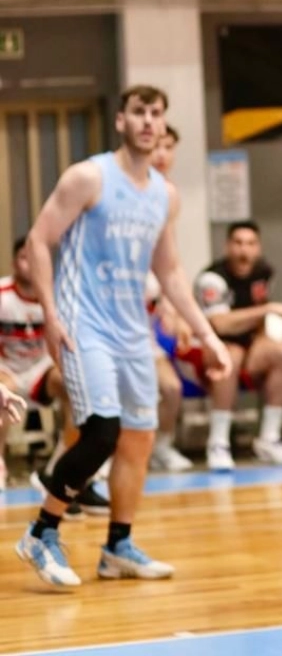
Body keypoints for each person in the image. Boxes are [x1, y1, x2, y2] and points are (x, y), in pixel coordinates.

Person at [15, 84, 232, 588]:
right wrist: (50, 314)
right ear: (121, 120)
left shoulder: (164, 195)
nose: (148, 121)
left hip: (132, 331)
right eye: (139, 112)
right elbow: (40, 240)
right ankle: (42, 532)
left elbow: (170, 271)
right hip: (83, 323)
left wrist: (208, 335)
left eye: (156, 113)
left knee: (138, 440)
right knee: (102, 432)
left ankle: (117, 546)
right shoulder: (88, 177)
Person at [1, 237, 110, 513]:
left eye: (35, 258)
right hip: (7, 367)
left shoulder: (60, 294)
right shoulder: (3, 295)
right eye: (24, 258)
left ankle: (63, 473)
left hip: (41, 368)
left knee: (79, 389)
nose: (30, 264)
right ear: (14, 263)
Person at [194, 220, 282, 470]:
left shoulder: (264, 271)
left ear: (258, 247)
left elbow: (259, 315)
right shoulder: (212, 278)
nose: (244, 250)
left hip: (250, 343)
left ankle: (269, 439)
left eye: (251, 244)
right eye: (238, 243)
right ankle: (218, 442)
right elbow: (220, 324)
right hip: (213, 345)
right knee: (229, 357)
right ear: (227, 246)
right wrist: (267, 309)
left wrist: (265, 336)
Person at [146, 123, 193, 472]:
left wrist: (178, 310)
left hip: (145, 308)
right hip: (111, 307)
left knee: (171, 388)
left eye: (169, 147)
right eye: (157, 146)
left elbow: (171, 261)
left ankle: (161, 447)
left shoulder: (168, 193)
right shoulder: (119, 185)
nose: (163, 155)